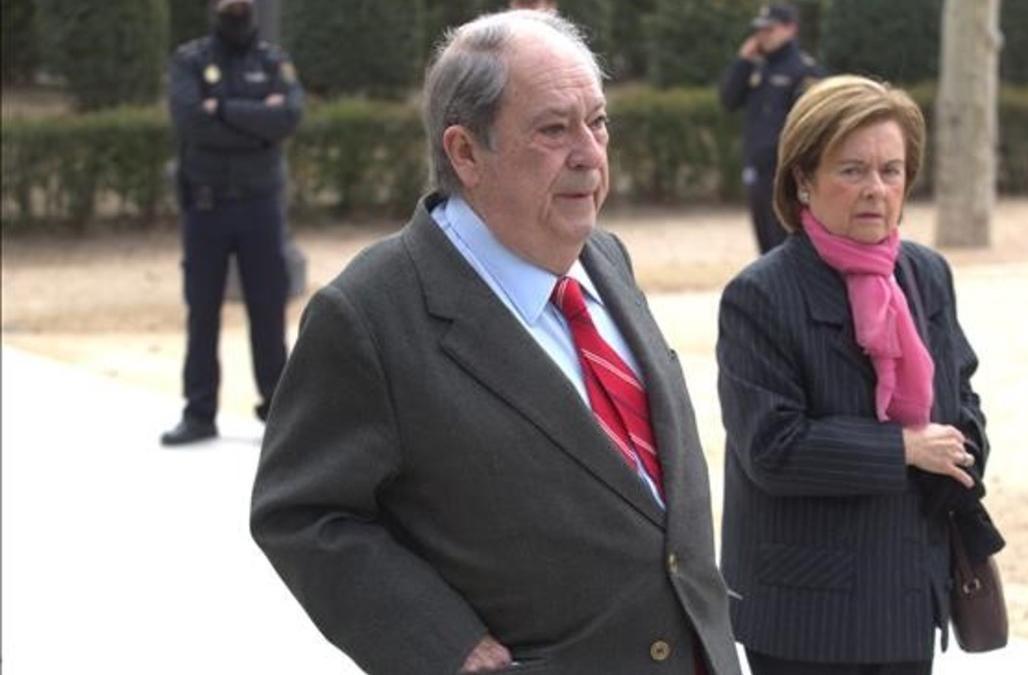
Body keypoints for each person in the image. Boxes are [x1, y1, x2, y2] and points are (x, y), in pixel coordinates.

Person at [250, 10, 740, 674]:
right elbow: (301, 512)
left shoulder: (606, 258)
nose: (590, 154)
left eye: (597, 122)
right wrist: (442, 643)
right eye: (553, 129)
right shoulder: (369, 312)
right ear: (465, 152)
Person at [716, 75, 1004, 674]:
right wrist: (904, 448)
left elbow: (963, 394)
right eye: (852, 170)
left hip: (908, 588)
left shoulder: (925, 274)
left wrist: (963, 448)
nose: (875, 189)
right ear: (803, 179)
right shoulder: (760, 295)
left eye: (891, 171)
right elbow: (771, 448)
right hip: (807, 609)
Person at [160, 0, 304, 446]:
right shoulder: (190, 61)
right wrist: (255, 117)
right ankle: (199, 412)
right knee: (202, 310)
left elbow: (288, 117)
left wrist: (219, 108)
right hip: (206, 207)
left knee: (268, 308)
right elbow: (190, 122)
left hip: (260, 206)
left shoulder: (273, 61)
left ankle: (277, 413)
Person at [719, 3, 825, 255]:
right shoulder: (758, 67)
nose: (763, 35)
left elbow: (811, 129)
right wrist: (743, 61)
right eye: (760, 30)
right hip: (758, 174)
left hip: (785, 176)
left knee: (787, 250)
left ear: (791, 29)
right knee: (766, 250)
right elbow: (728, 100)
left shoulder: (804, 71)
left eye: (770, 29)